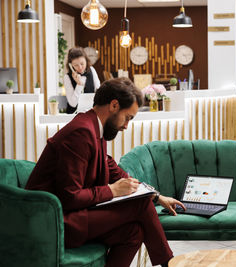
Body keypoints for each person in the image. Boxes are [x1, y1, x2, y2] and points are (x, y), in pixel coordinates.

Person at [26, 77, 185, 267]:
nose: (126, 126)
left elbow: (118, 174)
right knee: (140, 205)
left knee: (134, 231)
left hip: (68, 217)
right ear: (114, 105)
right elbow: (70, 196)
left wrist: (157, 197)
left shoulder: (94, 129)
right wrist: (112, 191)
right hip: (52, 223)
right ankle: (171, 263)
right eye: (128, 117)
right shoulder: (82, 132)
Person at [64, 47, 101, 114]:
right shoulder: (67, 77)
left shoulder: (91, 70)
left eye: (82, 64)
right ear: (71, 65)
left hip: (91, 113)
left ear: (86, 61)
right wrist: (79, 84)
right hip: (73, 115)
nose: (80, 67)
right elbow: (73, 104)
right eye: (76, 65)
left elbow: (99, 92)